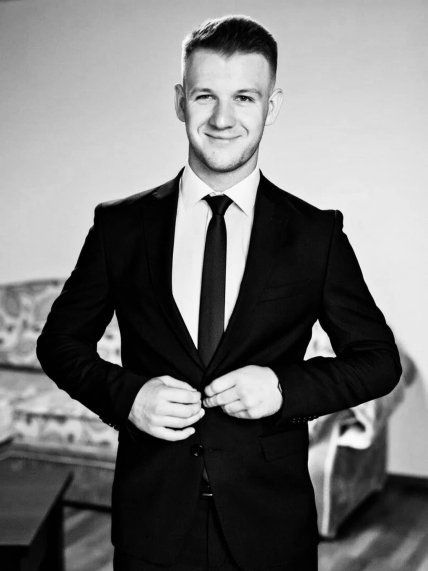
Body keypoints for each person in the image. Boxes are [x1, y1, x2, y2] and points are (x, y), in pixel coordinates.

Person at [37, 15, 401, 571]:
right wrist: (127, 397)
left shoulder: (316, 234)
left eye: (244, 98)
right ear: (180, 101)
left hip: (271, 526)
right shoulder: (120, 227)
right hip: (152, 522)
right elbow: (59, 343)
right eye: (205, 95)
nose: (223, 119)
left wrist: (282, 388)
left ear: (271, 107)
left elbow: (378, 361)